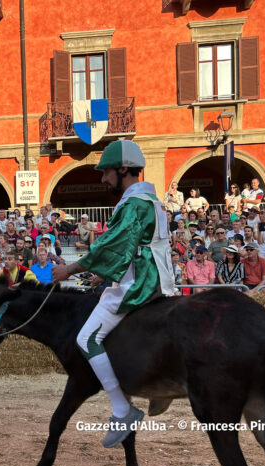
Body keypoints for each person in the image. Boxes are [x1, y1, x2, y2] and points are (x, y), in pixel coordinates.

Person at [51, 140, 174, 448]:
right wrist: (100, 275)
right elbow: (130, 248)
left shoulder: (134, 204)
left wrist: (70, 270)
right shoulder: (153, 201)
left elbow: (114, 245)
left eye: (106, 173)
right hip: (159, 277)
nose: (103, 179)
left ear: (123, 170)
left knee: (86, 339)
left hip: (140, 282)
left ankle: (123, 409)